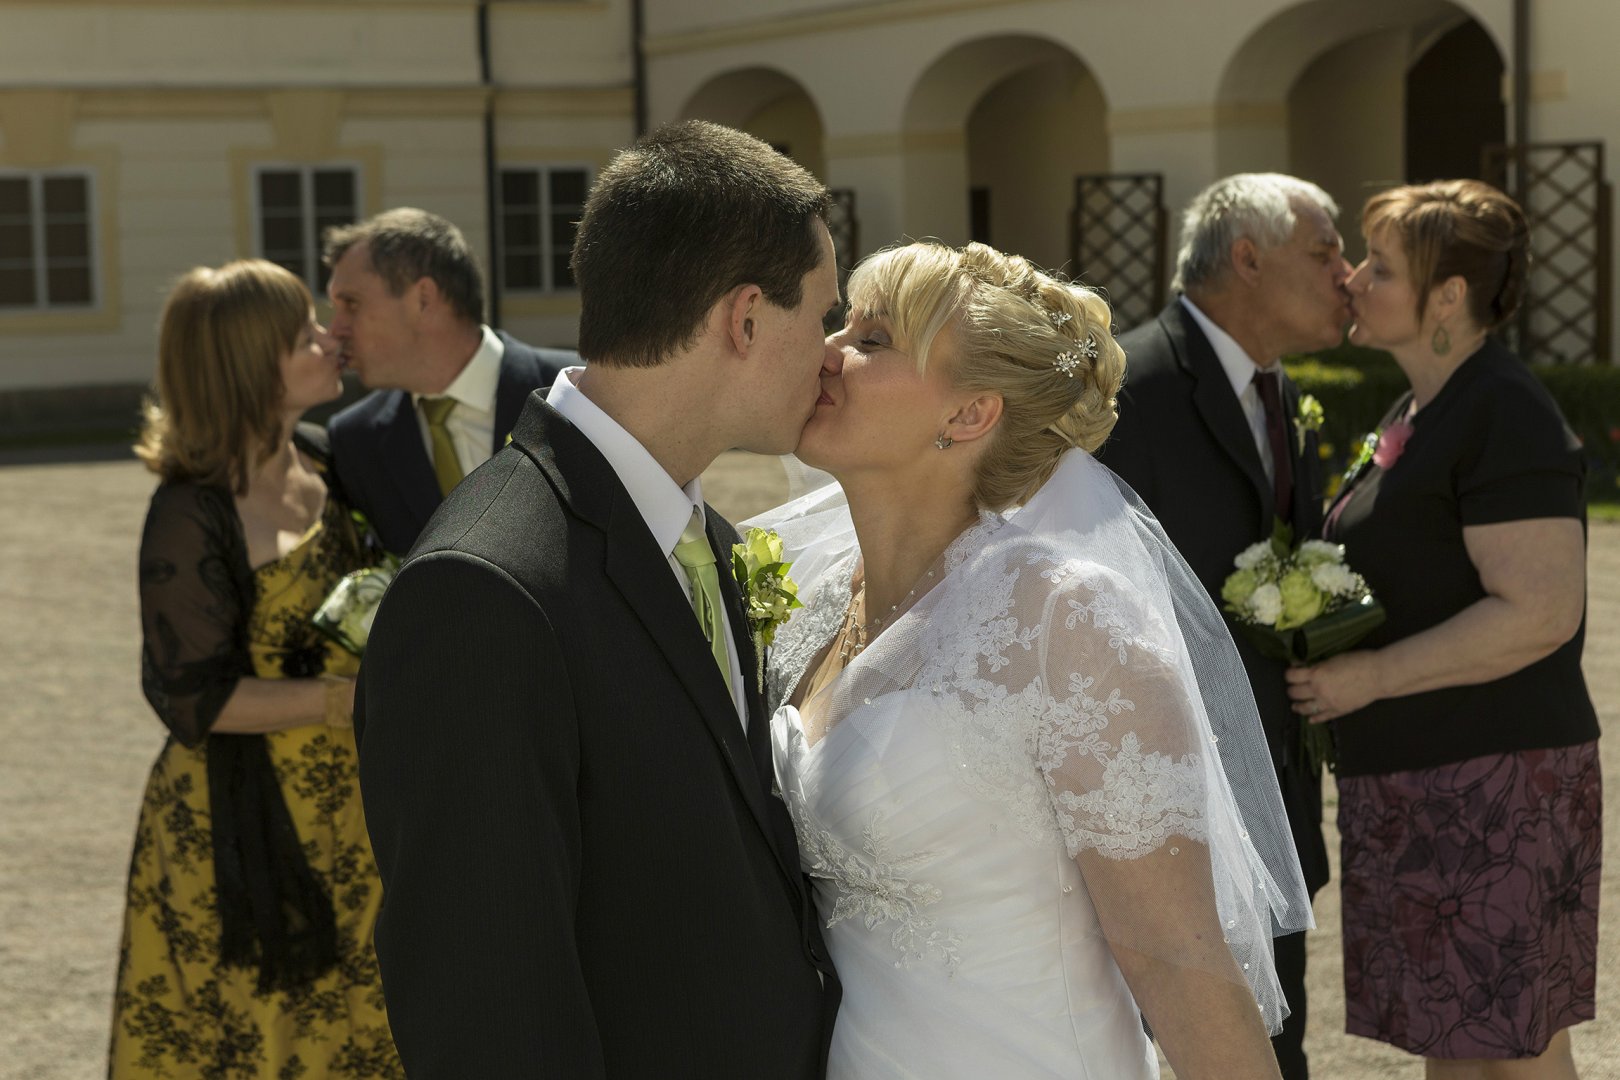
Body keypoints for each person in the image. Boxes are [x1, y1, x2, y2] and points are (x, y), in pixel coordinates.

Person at [749, 240, 1314, 1079]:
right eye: (842, 325)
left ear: (970, 414)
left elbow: (1177, 959)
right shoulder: (818, 595)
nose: (827, 352)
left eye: (872, 340)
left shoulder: (1064, 623)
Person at [353, 121, 843, 1078]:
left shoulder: (709, 538)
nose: (831, 354)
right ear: (746, 320)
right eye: (823, 316)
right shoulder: (483, 591)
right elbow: (487, 1013)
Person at [1288, 179, 1600, 1077]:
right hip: (1421, 777)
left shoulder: (1503, 409)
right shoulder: (1421, 410)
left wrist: (1371, 677)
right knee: (1448, 1037)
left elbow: (1540, 612)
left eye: (1381, 268)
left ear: (1449, 296)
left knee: (1518, 1047)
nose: (1353, 279)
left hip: (1497, 780)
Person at [111, 260, 401, 1077]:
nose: (329, 338)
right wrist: (344, 701)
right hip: (240, 823)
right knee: (263, 1031)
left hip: (349, 806)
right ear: (248, 366)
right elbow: (193, 698)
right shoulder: (189, 511)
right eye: (303, 334)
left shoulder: (324, 460)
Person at [1096, 172, 1352, 1080]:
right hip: (1165, 810)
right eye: (1325, 252)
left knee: (1280, 1049)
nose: (1348, 274)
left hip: (1275, 802)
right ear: (1246, 258)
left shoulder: (1281, 393)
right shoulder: (1128, 389)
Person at [324, 207, 574, 555]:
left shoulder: (575, 391)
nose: (335, 330)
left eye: (351, 304)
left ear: (423, 299)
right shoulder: (355, 442)